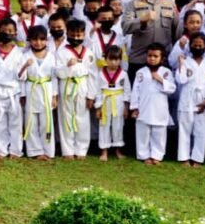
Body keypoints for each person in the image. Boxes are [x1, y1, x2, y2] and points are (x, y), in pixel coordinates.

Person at [121, 0, 177, 71]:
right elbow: (125, 27)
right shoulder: (133, 4)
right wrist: (141, 20)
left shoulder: (169, 4)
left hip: (163, 61)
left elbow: (177, 31)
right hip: (139, 60)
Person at [55, 18, 96, 159]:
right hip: (66, 85)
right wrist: (68, 66)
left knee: (82, 118)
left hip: (82, 86)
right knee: (66, 118)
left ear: (84, 35)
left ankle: (81, 150)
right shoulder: (61, 52)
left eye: (79, 35)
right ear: (67, 34)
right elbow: (57, 73)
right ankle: (68, 150)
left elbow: (93, 75)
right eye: (72, 35)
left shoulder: (89, 53)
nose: (76, 38)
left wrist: (91, 95)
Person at [129, 42, 175, 164]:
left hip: (160, 109)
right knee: (143, 133)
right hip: (144, 107)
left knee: (159, 134)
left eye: (156, 56)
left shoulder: (166, 72)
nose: (152, 58)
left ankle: (157, 156)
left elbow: (172, 89)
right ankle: (144, 155)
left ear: (162, 58)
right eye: (150, 55)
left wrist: (160, 79)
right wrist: (134, 108)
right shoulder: (141, 72)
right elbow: (135, 91)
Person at [175, 32, 205, 167]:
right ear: (190, 46)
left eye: (200, 45)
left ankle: (197, 158)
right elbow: (181, 79)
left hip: (203, 98)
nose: (197, 47)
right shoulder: (185, 62)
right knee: (184, 129)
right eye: (195, 45)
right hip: (187, 97)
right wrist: (181, 64)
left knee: (201, 131)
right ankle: (184, 157)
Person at [0, 19, 25, 159]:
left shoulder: (19, 52)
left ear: (15, 33)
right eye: (3, 31)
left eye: (10, 31)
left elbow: (22, 76)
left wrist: (22, 94)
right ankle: (2, 149)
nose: (6, 33)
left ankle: (16, 150)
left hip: (13, 91)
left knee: (15, 122)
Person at [20, 25, 56, 160]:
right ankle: (35, 151)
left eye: (41, 39)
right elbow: (21, 78)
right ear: (29, 40)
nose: (38, 42)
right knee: (31, 121)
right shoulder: (25, 56)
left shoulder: (51, 56)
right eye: (34, 39)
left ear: (46, 40)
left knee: (46, 121)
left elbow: (54, 77)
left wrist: (55, 95)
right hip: (31, 88)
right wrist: (23, 94)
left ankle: (48, 150)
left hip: (46, 89)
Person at [94, 45, 130, 162]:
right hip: (105, 100)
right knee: (104, 125)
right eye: (111, 59)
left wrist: (126, 107)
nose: (114, 62)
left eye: (117, 59)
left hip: (118, 101)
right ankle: (104, 151)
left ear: (120, 60)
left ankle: (118, 149)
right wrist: (98, 108)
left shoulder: (123, 74)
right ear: (105, 59)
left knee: (118, 125)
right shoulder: (100, 74)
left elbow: (127, 90)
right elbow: (98, 91)